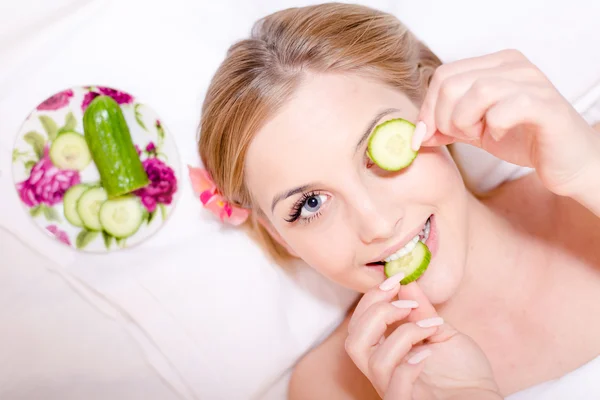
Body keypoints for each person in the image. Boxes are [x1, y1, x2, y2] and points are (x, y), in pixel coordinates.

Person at [194, 3, 600, 399]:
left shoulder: (588, 164)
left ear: (432, 103)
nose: (377, 224)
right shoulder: (331, 389)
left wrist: (588, 173)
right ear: (279, 235)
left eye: (376, 152)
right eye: (311, 203)